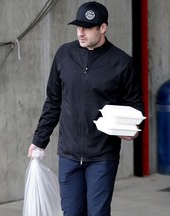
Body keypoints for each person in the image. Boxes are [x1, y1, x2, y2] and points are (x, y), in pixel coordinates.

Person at [28, 1, 144, 215]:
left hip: (102, 157)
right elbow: (53, 101)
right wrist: (39, 140)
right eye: (78, 27)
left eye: (87, 28)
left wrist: (134, 130)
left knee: (98, 213)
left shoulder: (122, 62)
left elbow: (135, 106)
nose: (81, 33)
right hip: (69, 155)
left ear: (103, 28)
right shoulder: (64, 54)